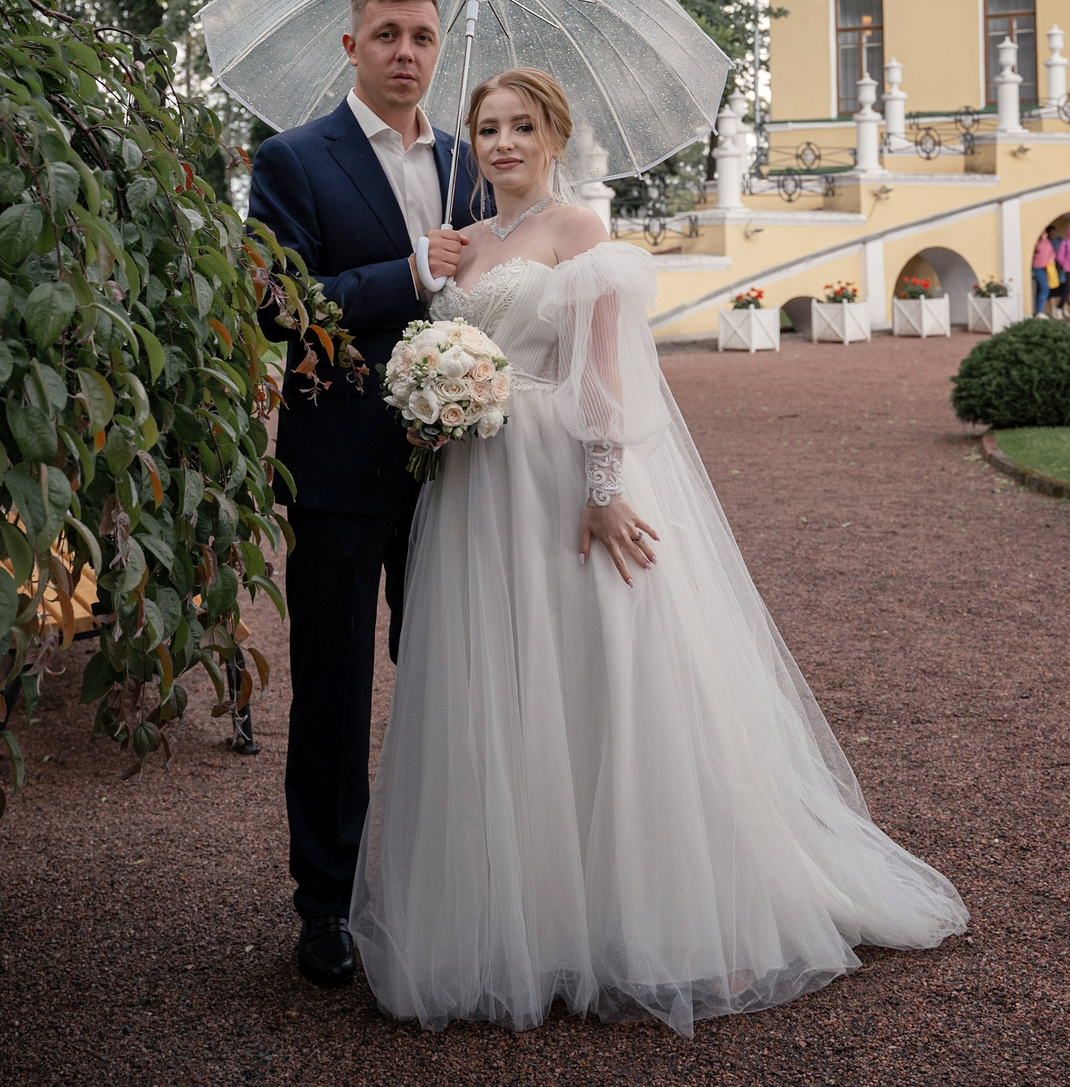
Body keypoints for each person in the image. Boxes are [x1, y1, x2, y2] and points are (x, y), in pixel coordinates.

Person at [350, 68, 969, 1034]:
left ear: (553, 134)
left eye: (521, 126)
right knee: (502, 684)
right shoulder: (461, 244)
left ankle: (659, 924)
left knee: (597, 675)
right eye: (486, 128)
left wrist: (603, 494)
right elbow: (439, 346)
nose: (503, 143)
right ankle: (524, 924)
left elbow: (603, 374)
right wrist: (434, 399)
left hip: (555, 478)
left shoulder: (581, 234)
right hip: (475, 491)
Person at [247, 0, 487, 990]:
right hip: (337, 471)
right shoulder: (292, 159)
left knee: (458, 684)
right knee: (335, 698)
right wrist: (413, 273)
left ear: (439, 50)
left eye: (422, 36)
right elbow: (277, 305)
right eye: (385, 34)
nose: (405, 52)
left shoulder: (478, 163)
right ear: (350, 48)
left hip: (461, 475)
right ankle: (327, 903)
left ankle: (452, 886)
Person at [1030, 224, 1058, 316]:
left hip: (1047, 268)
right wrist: (1041, 238)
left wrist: (1051, 258)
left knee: (1044, 288)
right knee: (1044, 288)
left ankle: (1039, 310)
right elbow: (1037, 249)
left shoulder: (1048, 242)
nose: (1044, 234)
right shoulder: (1038, 242)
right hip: (1038, 268)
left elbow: (1052, 252)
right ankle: (1039, 311)